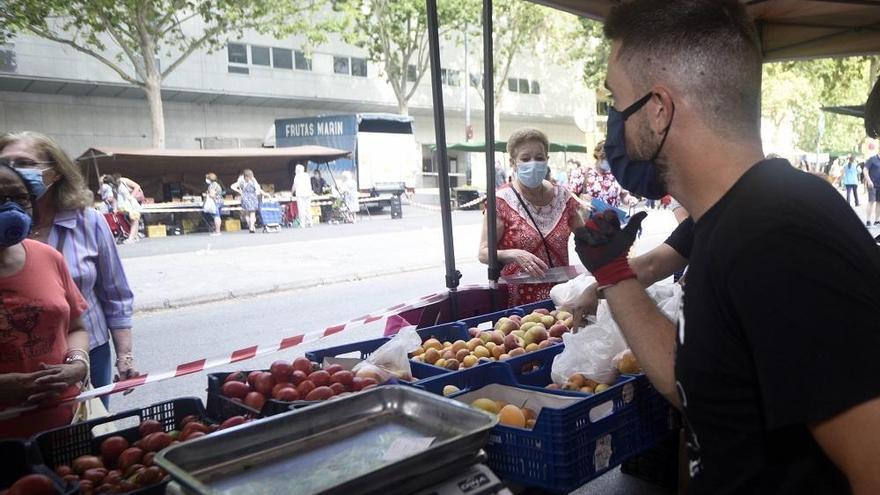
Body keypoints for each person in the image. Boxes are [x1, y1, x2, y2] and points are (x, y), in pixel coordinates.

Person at [573, 2, 880, 494]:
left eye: (616, 100)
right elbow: (701, 383)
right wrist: (613, 274)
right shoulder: (728, 222)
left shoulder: (781, 238)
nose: (613, 121)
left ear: (657, 109)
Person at [0, 132, 136, 409]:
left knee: (87, 426)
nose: (14, 170)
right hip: (13, 361)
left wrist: (123, 355)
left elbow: (115, 293)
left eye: (25, 163)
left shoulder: (89, 223)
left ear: (56, 173)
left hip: (88, 351)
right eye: (6, 162)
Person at [0, 163, 90, 437]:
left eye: (19, 198)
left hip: (65, 423)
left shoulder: (48, 257)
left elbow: (75, 327)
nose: (11, 208)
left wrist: (77, 366)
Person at [478, 128, 583, 305]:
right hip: (518, 304)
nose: (533, 163)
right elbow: (483, 253)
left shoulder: (564, 198)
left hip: (563, 299)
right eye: (525, 159)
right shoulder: (501, 201)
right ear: (513, 162)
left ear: (547, 160)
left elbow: (586, 238)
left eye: (539, 158)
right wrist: (513, 254)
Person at [583, 140, 632, 208]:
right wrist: (583, 203)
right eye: (607, 160)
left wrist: (630, 200)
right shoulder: (585, 172)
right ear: (599, 157)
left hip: (612, 216)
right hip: (591, 216)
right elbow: (572, 195)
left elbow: (623, 195)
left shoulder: (617, 174)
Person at [231, 169, 263, 233]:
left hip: (244, 197)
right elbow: (258, 189)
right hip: (253, 197)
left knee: (246, 213)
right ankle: (252, 227)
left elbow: (232, 186)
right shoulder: (253, 180)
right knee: (252, 213)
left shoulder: (241, 181)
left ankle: (250, 226)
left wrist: (240, 191)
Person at [112, 173, 141, 244]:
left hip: (131, 203)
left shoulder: (124, 181)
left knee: (134, 219)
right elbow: (115, 197)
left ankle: (131, 238)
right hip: (123, 206)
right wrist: (114, 208)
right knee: (129, 220)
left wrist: (131, 197)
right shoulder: (113, 186)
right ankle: (134, 236)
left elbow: (137, 186)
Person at [293, 164, 314, 228]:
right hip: (308, 193)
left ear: (297, 170)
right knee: (308, 208)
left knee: (301, 209)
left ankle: (302, 224)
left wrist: (291, 192)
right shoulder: (307, 175)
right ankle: (310, 222)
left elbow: (294, 186)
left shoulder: (297, 176)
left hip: (300, 194)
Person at [866, 148, 880, 226]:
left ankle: (877, 220)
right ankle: (868, 220)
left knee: (879, 203)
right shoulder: (872, 159)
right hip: (872, 185)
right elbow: (865, 170)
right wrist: (869, 181)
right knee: (871, 201)